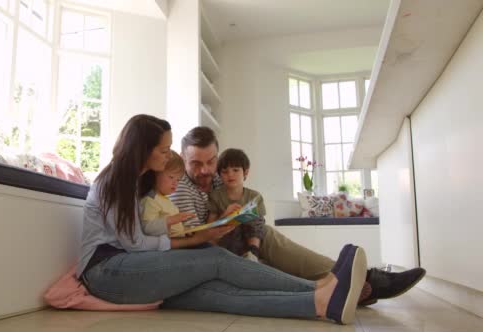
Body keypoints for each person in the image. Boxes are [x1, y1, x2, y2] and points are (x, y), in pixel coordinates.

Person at [77, 114, 367, 324]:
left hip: (133, 270)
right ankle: (319, 287)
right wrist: (202, 238)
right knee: (214, 258)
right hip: (107, 271)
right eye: (164, 151)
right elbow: (136, 244)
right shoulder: (115, 181)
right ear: (143, 150)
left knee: (217, 294)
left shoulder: (141, 182)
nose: (168, 157)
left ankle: (320, 301)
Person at [168, 126, 426, 306]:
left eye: (211, 162)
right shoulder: (179, 188)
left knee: (262, 237)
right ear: (182, 159)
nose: (205, 171)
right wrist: (219, 225)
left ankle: (352, 281)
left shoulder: (216, 179)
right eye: (196, 164)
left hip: (235, 245)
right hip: (212, 255)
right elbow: (195, 249)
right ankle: (355, 280)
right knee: (267, 245)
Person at [207, 148, 266, 262]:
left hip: (249, 238)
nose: (230, 175)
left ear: (245, 172)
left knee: (257, 220)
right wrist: (225, 216)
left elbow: (259, 225)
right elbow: (210, 225)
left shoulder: (255, 196)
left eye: (235, 170)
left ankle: (253, 253)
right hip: (227, 236)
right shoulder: (215, 196)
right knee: (233, 228)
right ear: (219, 175)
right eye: (225, 171)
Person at [140, 150, 195, 238]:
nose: (175, 183)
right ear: (155, 174)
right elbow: (146, 228)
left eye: (178, 179)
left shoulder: (165, 199)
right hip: (166, 246)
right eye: (171, 177)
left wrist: (184, 230)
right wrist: (171, 220)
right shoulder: (150, 200)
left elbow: (172, 227)